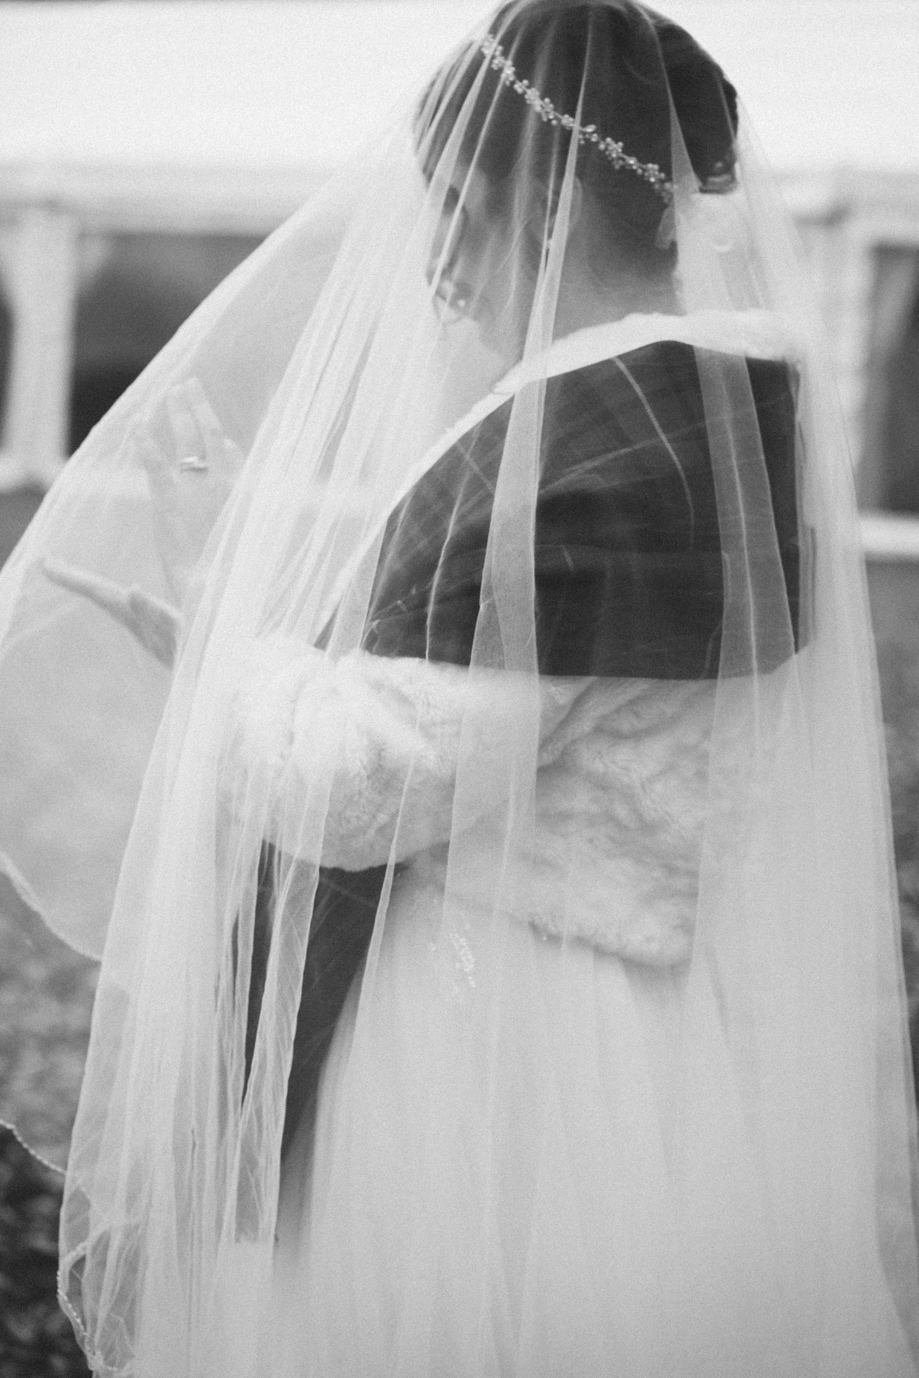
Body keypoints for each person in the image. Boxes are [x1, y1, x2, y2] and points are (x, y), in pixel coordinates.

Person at [0, 1, 917, 1373]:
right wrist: (223, 644)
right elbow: (472, 724)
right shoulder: (705, 424)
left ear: (539, 209)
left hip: (495, 1064)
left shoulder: (586, 455)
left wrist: (218, 608)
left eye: (455, 206)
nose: (435, 256)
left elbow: (357, 787)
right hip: (641, 1031)